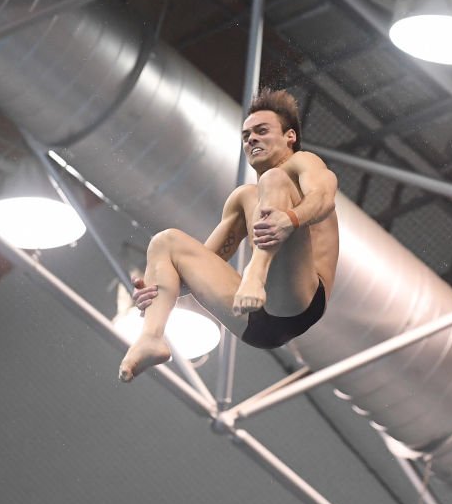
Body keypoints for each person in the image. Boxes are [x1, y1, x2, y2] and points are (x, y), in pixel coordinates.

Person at [119, 89, 339, 382]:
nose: (252, 140)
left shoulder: (304, 164)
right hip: (255, 321)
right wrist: (154, 290)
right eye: (247, 135)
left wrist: (291, 219)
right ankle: (151, 337)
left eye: (262, 131)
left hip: (300, 300)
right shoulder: (244, 200)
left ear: (290, 137)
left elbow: (324, 199)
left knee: (275, 179)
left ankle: (255, 273)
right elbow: (195, 271)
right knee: (165, 241)